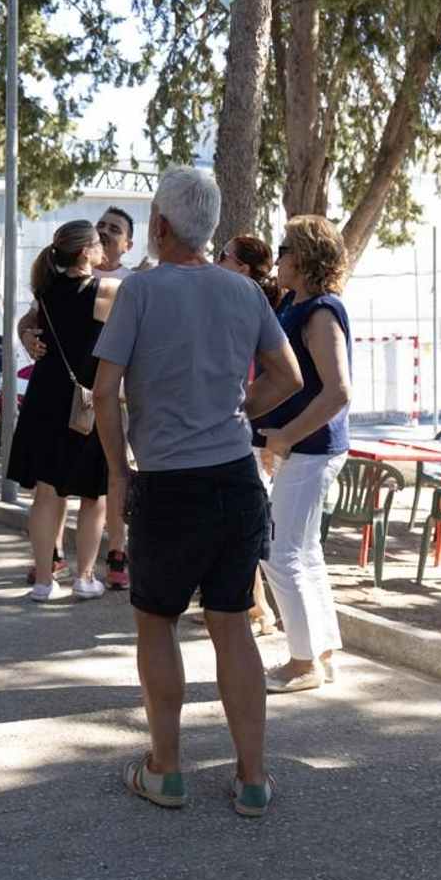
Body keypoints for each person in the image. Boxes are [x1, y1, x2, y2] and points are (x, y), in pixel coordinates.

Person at [92, 166, 302, 818]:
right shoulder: (245, 293)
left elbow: (103, 390)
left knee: (156, 623)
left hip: (168, 480)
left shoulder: (138, 291)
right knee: (232, 622)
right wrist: (238, 405)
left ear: (157, 225)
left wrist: (119, 470)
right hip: (236, 477)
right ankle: (253, 778)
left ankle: (167, 767)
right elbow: (288, 376)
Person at [253, 217, 354, 693]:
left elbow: (337, 391)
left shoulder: (320, 312)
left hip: (312, 448)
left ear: (307, 256)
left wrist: (287, 436)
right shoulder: (296, 304)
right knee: (303, 550)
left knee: (278, 549)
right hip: (304, 448)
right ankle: (321, 651)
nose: (277, 257)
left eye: (285, 248)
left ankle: (302, 662)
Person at [6, 220, 120, 602]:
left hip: (44, 397)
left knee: (47, 492)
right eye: (99, 243)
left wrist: (25, 335)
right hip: (85, 401)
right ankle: (85, 578)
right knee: (93, 494)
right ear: (85, 253)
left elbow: (29, 321)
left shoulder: (47, 289)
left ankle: (44, 580)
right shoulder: (106, 289)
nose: (104, 248)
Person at [211, 234, 282, 636]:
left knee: (249, 528)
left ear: (241, 266)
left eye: (223, 256)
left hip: (249, 432)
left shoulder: (249, 307)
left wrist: (252, 420)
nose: (216, 261)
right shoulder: (247, 304)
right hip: (247, 428)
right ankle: (255, 605)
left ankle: (257, 609)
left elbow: (283, 376)